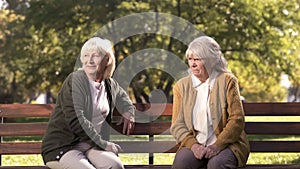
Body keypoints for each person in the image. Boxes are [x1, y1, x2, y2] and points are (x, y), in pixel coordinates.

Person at [41, 37, 135, 169]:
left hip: (91, 146)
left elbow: (123, 98)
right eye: (85, 55)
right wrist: (104, 144)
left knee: (115, 165)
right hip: (63, 147)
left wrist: (129, 112)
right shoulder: (75, 80)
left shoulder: (109, 84)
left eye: (95, 56)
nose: (89, 61)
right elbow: (76, 120)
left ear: (107, 59)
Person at [170, 36, 250, 169]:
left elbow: (237, 119)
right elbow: (177, 125)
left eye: (197, 59)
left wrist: (217, 146)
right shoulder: (181, 86)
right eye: (190, 59)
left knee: (217, 164)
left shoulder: (228, 81)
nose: (193, 64)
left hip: (227, 145)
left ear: (211, 60)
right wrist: (194, 146)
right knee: (182, 162)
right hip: (196, 144)